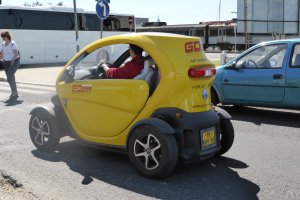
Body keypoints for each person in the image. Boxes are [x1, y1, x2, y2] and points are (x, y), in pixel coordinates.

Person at [0, 30, 20, 100]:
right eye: (2, 37)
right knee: (10, 78)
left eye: (3, 36)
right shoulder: (2, 44)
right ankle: (15, 92)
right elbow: (1, 54)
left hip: (14, 61)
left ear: (7, 36)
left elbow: (16, 54)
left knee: (9, 76)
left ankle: (14, 92)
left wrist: (13, 61)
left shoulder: (12, 43)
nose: (3, 38)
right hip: (6, 62)